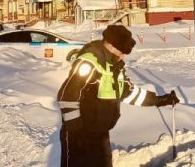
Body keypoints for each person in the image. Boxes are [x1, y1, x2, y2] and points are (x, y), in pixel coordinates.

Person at [57, 25, 179, 167]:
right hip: (79, 135)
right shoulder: (89, 63)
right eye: (121, 51)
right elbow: (67, 96)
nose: (123, 56)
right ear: (110, 45)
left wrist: (160, 100)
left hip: (100, 134)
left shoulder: (115, 67)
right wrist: (76, 131)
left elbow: (129, 93)